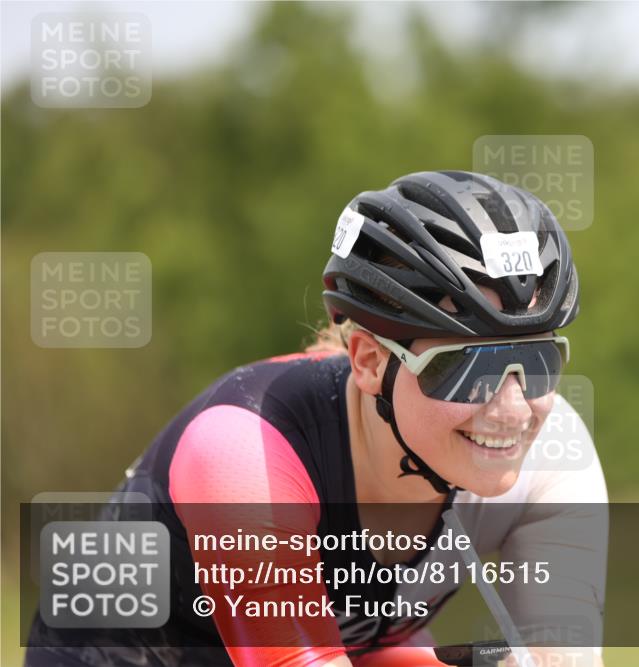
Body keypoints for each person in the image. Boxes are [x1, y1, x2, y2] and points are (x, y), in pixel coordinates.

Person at [25, 170, 608, 667]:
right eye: (467, 368)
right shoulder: (243, 448)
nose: (511, 409)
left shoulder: (553, 450)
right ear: (370, 360)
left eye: (537, 362)